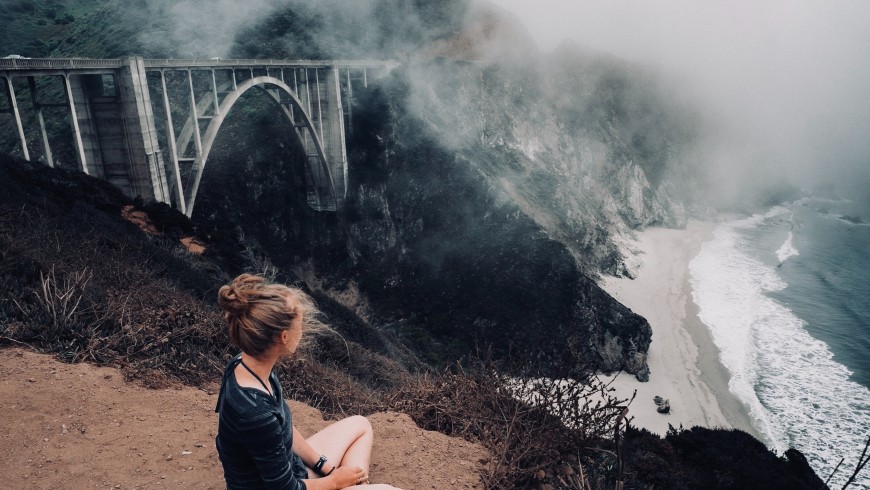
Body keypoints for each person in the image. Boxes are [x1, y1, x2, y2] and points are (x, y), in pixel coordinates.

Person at [214, 273, 401, 490]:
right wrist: (334, 481)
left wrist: (327, 467)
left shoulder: (244, 364)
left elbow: (284, 428)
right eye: (299, 324)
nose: (302, 331)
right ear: (284, 337)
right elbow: (285, 488)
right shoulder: (256, 414)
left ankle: (352, 485)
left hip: (293, 469)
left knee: (361, 424)